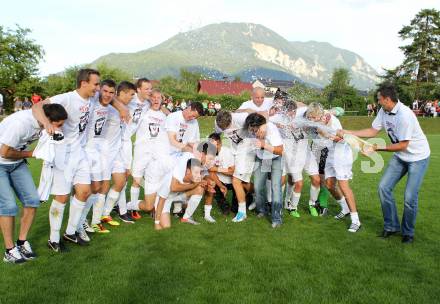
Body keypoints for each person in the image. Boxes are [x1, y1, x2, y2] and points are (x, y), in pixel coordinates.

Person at [32, 68, 128, 252]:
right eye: (96, 84)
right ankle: (53, 239)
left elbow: (110, 97)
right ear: (84, 83)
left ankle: (70, 232)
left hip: (81, 153)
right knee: (61, 197)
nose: (98, 88)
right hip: (62, 154)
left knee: (84, 192)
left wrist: (121, 107)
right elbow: (37, 107)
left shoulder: (92, 98)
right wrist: (46, 124)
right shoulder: (67, 98)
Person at [338, 83, 430, 243]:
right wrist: (349, 132)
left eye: (380, 99)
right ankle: (391, 226)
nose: (378, 102)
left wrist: (377, 148)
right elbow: (373, 131)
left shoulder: (405, 115)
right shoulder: (384, 110)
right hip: (401, 157)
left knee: (409, 197)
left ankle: (408, 233)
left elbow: (403, 145)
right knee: (383, 188)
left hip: (417, 157)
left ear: (387, 99)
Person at [0, 104, 67, 263]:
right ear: (49, 120)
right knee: (8, 206)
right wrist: (33, 153)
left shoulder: (43, 121)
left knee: (32, 200)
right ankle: (9, 251)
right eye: (59, 125)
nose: (61, 128)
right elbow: (4, 152)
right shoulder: (20, 124)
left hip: (17, 163)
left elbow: (39, 106)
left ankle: (22, 243)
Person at [306, 102, 361, 233]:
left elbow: (342, 139)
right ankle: (345, 208)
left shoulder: (332, 121)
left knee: (343, 186)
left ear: (320, 115)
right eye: (310, 117)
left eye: (314, 117)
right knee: (329, 185)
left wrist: (326, 134)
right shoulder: (319, 117)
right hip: (331, 153)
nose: (311, 120)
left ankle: (356, 220)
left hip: (341, 154)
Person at [270, 100, 321, 218]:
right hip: (292, 155)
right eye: (289, 112)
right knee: (297, 182)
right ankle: (292, 206)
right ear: (284, 112)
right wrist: (277, 124)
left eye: (293, 111)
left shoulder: (303, 114)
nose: (291, 114)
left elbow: (334, 111)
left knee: (316, 180)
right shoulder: (278, 118)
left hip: (306, 152)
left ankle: (312, 204)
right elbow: (266, 120)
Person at [99, 81, 137, 226]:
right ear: (121, 93)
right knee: (98, 188)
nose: (132, 98)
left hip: (117, 152)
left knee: (121, 182)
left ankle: (105, 214)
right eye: (131, 95)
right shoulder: (107, 108)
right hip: (103, 152)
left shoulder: (125, 109)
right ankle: (91, 220)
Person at [244, 113, 284, 228]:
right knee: (257, 186)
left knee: (276, 187)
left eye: (254, 130)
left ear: (261, 126)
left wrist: (264, 145)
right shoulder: (252, 128)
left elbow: (280, 150)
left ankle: (277, 218)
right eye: (251, 129)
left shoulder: (271, 129)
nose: (252, 132)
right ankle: (262, 210)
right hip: (261, 158)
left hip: (275, 158)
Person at [165, 101, 203, 216]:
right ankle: (159, 206)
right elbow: (172, 140)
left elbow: (193, 142)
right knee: (167, 182)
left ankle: (177, 208)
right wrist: (186, 149)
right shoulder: (173, 117)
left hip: (181, 155)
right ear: (189, 108)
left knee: (184, 177)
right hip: (167, 153)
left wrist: (199, 152)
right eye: (192, 115)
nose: (191, 118)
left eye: (195, 117)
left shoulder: (194, 122)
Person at [215, 110, 255, 222]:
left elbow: (255, 116)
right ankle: (258, 195)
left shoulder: (241, 118)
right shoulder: (217, 122)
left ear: (231, 120)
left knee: (236, 181)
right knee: (243, 182)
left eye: (226, 127)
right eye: (222, 128)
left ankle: (242, 213)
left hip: (247, 152)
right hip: (235, 152)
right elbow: (216, 135)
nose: (225, 130)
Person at [155, 158, 206, 229]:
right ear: (188, 171)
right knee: (166, 226)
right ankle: (144, 207)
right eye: (196, 172)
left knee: (200, 189)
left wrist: (205, 183)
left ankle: (186, 218)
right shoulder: (174, 177)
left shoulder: (192, 177)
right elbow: (174, 188)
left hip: (173, 198)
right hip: (161, 199)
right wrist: (156, 223)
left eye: (200, 172)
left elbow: (199, 183)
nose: (199, 175)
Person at [207, 133, 237, 215]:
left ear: (219, 142)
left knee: (235, 209)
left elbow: (232, 172)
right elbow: (211, 171)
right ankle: (224, 206)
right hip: (220, 180)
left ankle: (248, 197)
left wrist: (217, 169)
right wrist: (221, 185)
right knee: (211, 181)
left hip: (233, 181)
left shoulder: (227, 152)